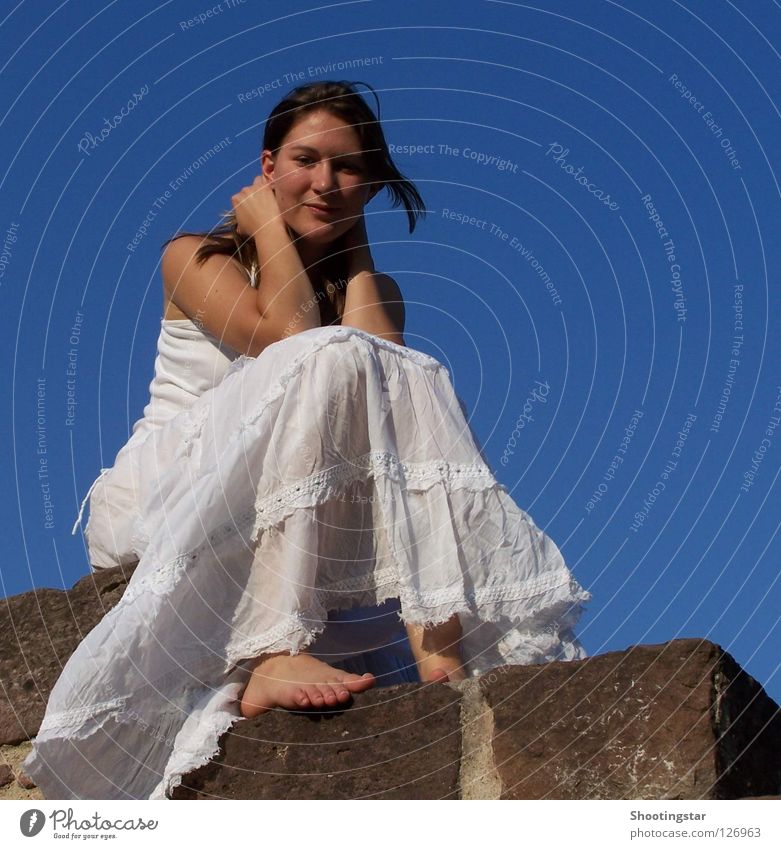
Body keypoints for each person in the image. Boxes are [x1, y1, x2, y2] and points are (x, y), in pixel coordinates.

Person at [22, 80, 591, 799]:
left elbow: (392, 401)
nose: (325, 181)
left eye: (349, 169)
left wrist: (355, 248)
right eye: (305, 159)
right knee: (327, 353)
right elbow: (286, 337)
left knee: (400, 368)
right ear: (267, 166)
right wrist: (264, 225)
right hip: (165, 491)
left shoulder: (373, 287)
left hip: (288, 496)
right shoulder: (193, 255)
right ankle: (273, 648)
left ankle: (437, 648)